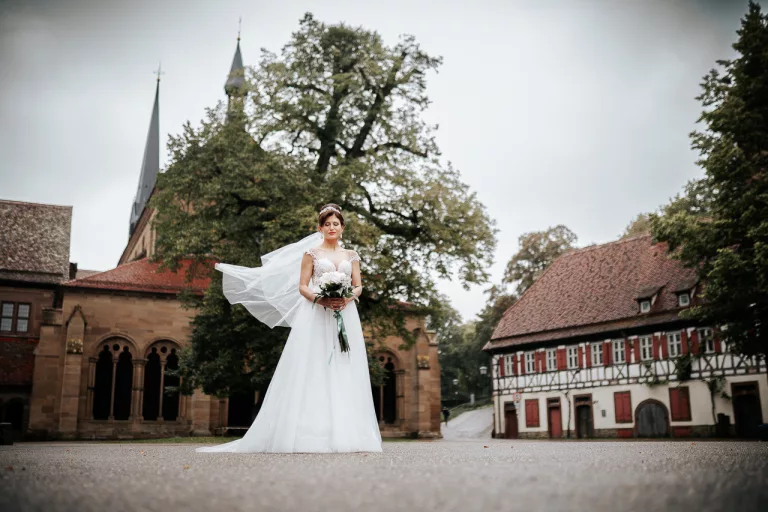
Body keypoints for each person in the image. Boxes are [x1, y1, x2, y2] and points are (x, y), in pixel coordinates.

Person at [196, 204, 382, 453]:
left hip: (345, 313)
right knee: (313, 366)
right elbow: (303, 286)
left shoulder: (352, 255)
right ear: (320, 228)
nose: (331, 228)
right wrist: (321, 299)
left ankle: (348, 431)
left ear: (342, 227)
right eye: (327, 224)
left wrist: (347, 298)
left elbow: (358, 285)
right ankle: (310, 432)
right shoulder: (311, 254)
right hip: (316, 314)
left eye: (335, 223)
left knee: (344, 365)